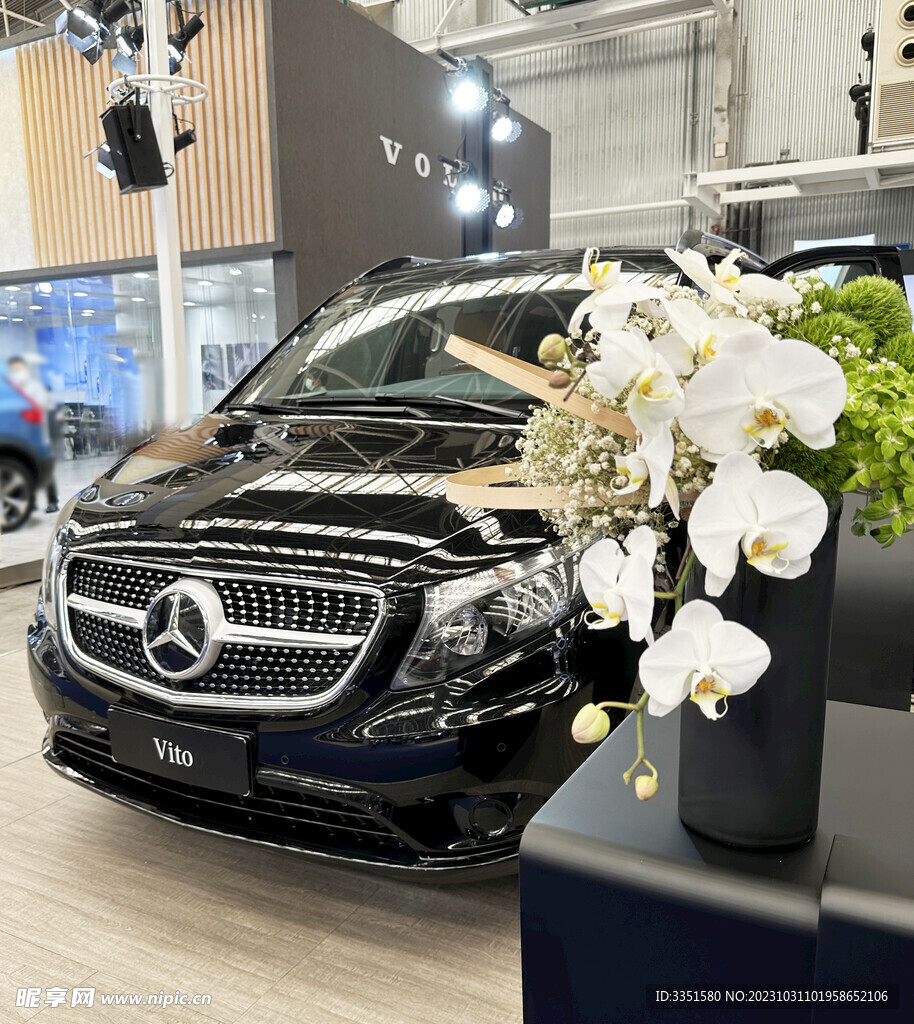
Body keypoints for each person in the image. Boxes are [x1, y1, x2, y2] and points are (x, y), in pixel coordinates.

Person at [6, 355, 59, 513]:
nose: (17, 373)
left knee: (44, 468)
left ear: (26, 369)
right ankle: (31, 502)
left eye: (19, 369)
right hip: (19, 437)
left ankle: (52, 500)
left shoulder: (35, 387)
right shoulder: (11, 390)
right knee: (26, 469)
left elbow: (44, 406)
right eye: (13, 370)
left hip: (38, 435)